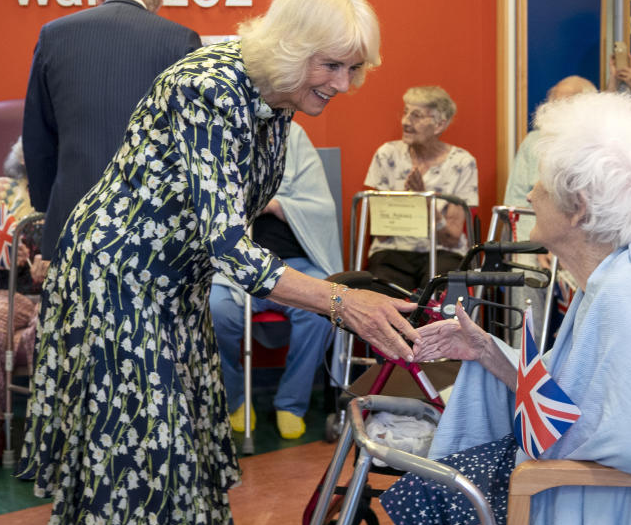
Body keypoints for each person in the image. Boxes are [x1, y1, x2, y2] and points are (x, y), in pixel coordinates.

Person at [16, 0, 420, 525]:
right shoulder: (209, 86)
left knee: (178, 453)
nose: (345, 85)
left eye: (355, 69)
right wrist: (341, 301)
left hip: (175, 282)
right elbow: (230, 244)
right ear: (292, 48)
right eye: (332, 66)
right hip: (120, 280)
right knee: (146, 454)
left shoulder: (276, 95)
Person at [381, 92, 631, 525]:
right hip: (595, 482)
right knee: (423, 488)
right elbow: (576, 402)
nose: (530, 194)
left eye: (541, 184)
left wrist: (548, 453)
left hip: (618, 501)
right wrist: (488, 352)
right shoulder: (623, 272)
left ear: (578, 207)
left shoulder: (627, 296)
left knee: (420, 499)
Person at [22, 0, 202, 261]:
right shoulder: (181, 41)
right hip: (151, 226)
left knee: (74, 309)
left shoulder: (54, 34)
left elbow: (38, 133)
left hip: (72, 219)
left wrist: (45, 204)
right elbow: (192, 139)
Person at [210, 121, 342, 440]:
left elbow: (322, 207)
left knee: (321, 309)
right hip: (237, 265)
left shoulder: (294, 135)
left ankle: (291, 403)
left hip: (295, 262)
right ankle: (237, 399)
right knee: (215, 311)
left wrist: (275, 204)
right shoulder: (221, 133)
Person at [502, 75, 596, 345]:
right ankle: (526, 357)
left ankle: (578, 357)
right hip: (538, 238)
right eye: (551, 103)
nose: (553, 111)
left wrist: (560, 247)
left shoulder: (596, 144)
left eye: (563, 104)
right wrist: (540, 245)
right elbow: (516, 203)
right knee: (524, 270)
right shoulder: (533, 141)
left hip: (582, 243)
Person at [363, 86, 478, 291]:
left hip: (443, 252)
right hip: (393, 250)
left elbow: (451, 239)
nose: (405, 121)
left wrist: (423, 201)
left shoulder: (462, 162)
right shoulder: (387, 155)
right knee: (380, 294)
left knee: (440, 295)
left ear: (439, 125)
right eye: (406, 112)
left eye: (416, 116)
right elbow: (381, 233)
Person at [0, 138, 48, 468]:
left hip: (54, 295)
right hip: (9, 292)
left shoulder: (67, 191)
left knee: (52, 325)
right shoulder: (2, 192)